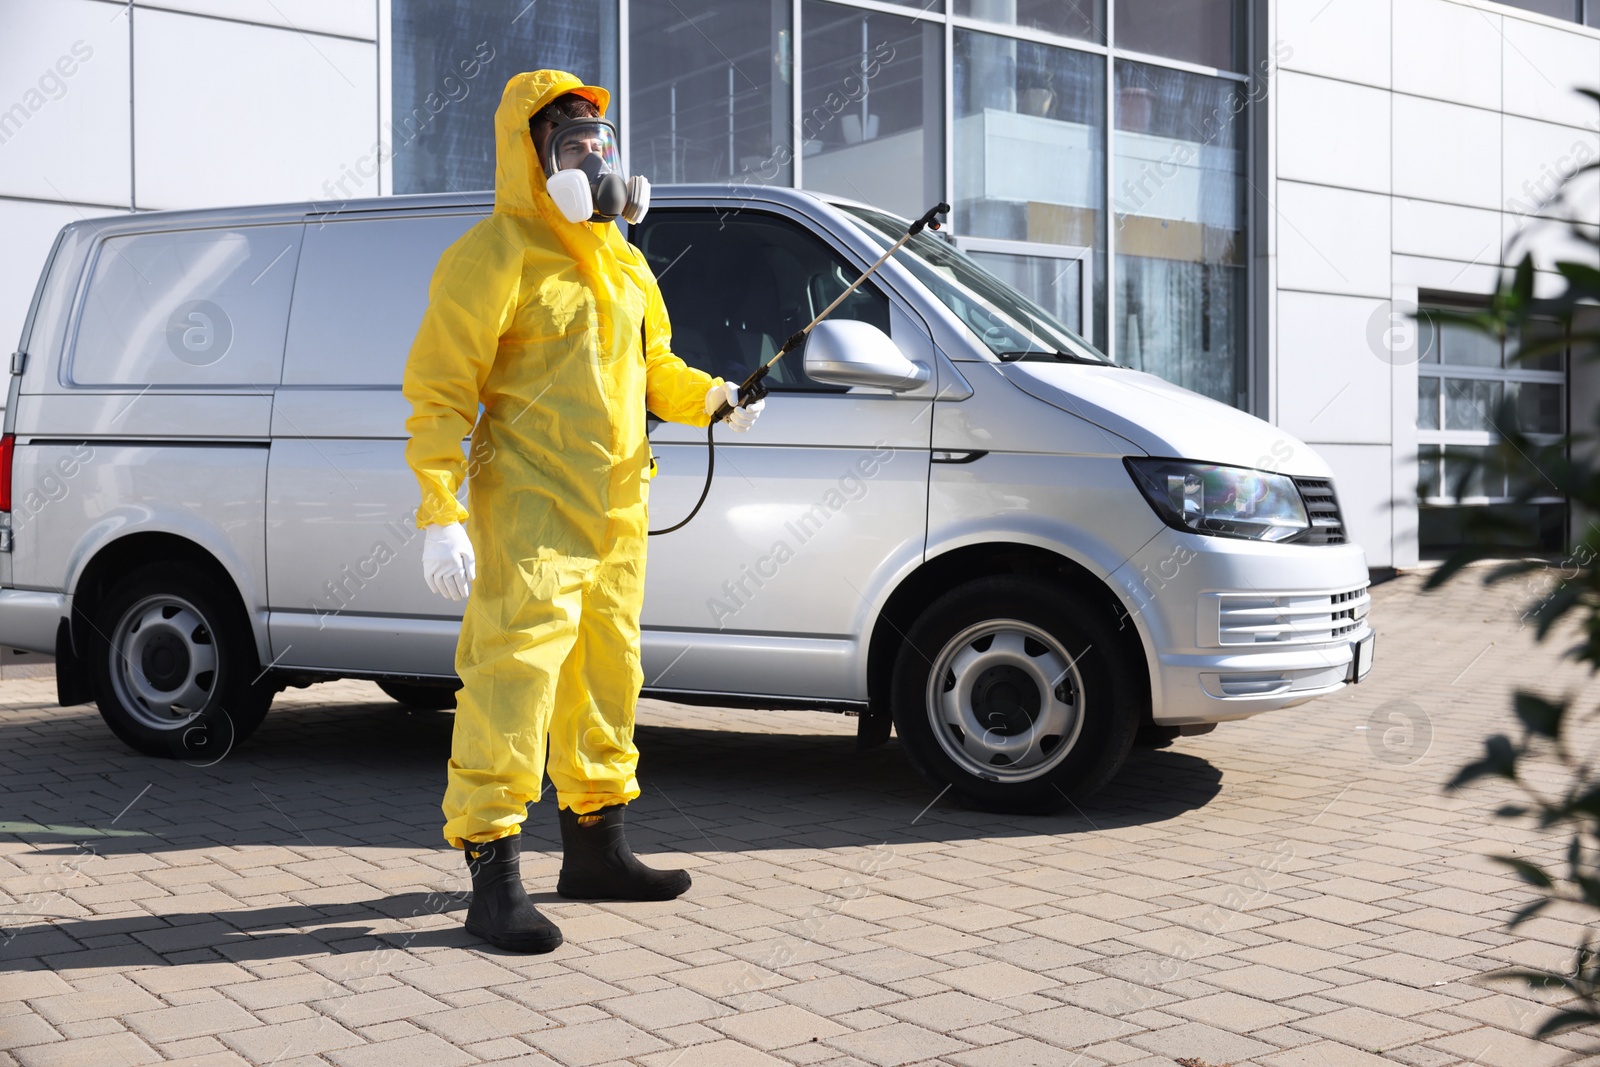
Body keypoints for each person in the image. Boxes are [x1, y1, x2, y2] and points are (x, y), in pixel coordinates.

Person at [401, 69, 764, 954]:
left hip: (614, 515)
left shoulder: (626, 262)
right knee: (512, 678)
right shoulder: (493, 255)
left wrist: (713, 396)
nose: (594, 164)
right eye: (572, 149)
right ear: (530, 160)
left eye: (601, 149)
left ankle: (596, 849)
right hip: (528, 512)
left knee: (608, 675)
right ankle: (493, 874)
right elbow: (441, 391)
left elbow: (655, 369)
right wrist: (439, 508)